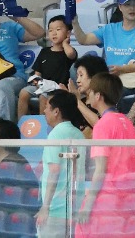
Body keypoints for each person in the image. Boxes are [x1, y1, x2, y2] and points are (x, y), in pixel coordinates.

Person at [75, 72, 135, 238]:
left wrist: (88, 204)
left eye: (90, 92)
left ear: (98, 96)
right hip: (129, 197)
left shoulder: (103, 125)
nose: (87, 95)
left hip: (108, 199)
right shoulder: (127, 123)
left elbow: (101, 168)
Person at [72, 0, 135, 82]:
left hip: (130, 77)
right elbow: (84, 40)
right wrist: (75, 23)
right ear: (120, 7)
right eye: (127, 4)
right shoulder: (109, 29)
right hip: (109, 76)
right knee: (75, 70)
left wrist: (122, 69)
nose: (132, 8)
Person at [37, 89, 85, 238]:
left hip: (55, 210)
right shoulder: (79, 135)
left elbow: (54, 170)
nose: (44, 111)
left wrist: (46, 207)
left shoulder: (55, 135)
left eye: (47, 107)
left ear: (56, 111)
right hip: (74, 208)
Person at [16, 14, 77, 118]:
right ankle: (21, 124)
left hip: (58, 88)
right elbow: (37, 73)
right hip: (42, 84)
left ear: (68, 33)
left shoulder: (67, 52)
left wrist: (66, 43)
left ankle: (42, 125)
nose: (54, 33)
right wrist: (38, 84)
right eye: (51, 30)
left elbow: (71, 54)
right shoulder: (44, 51)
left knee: (43, 97)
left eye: (58, 29)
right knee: (23, 93)